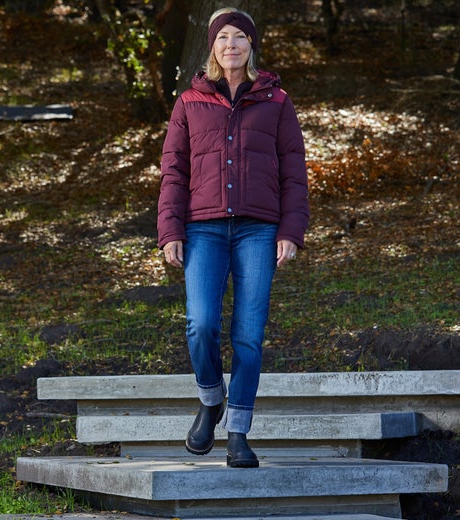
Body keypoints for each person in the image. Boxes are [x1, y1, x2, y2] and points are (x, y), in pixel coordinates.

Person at [157, 7, 309, 468]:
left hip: (258, 229)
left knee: (247, 335)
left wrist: (291, 231)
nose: (231, 46)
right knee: (201, 324)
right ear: (212, 47)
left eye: (240, 37)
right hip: (203, 227)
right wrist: (170, 230)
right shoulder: (189, 102)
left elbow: (295, 173)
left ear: (251, 46)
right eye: (223, 37)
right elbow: (173, 171)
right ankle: (210, 399)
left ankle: (238, 433)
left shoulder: (277, 101)